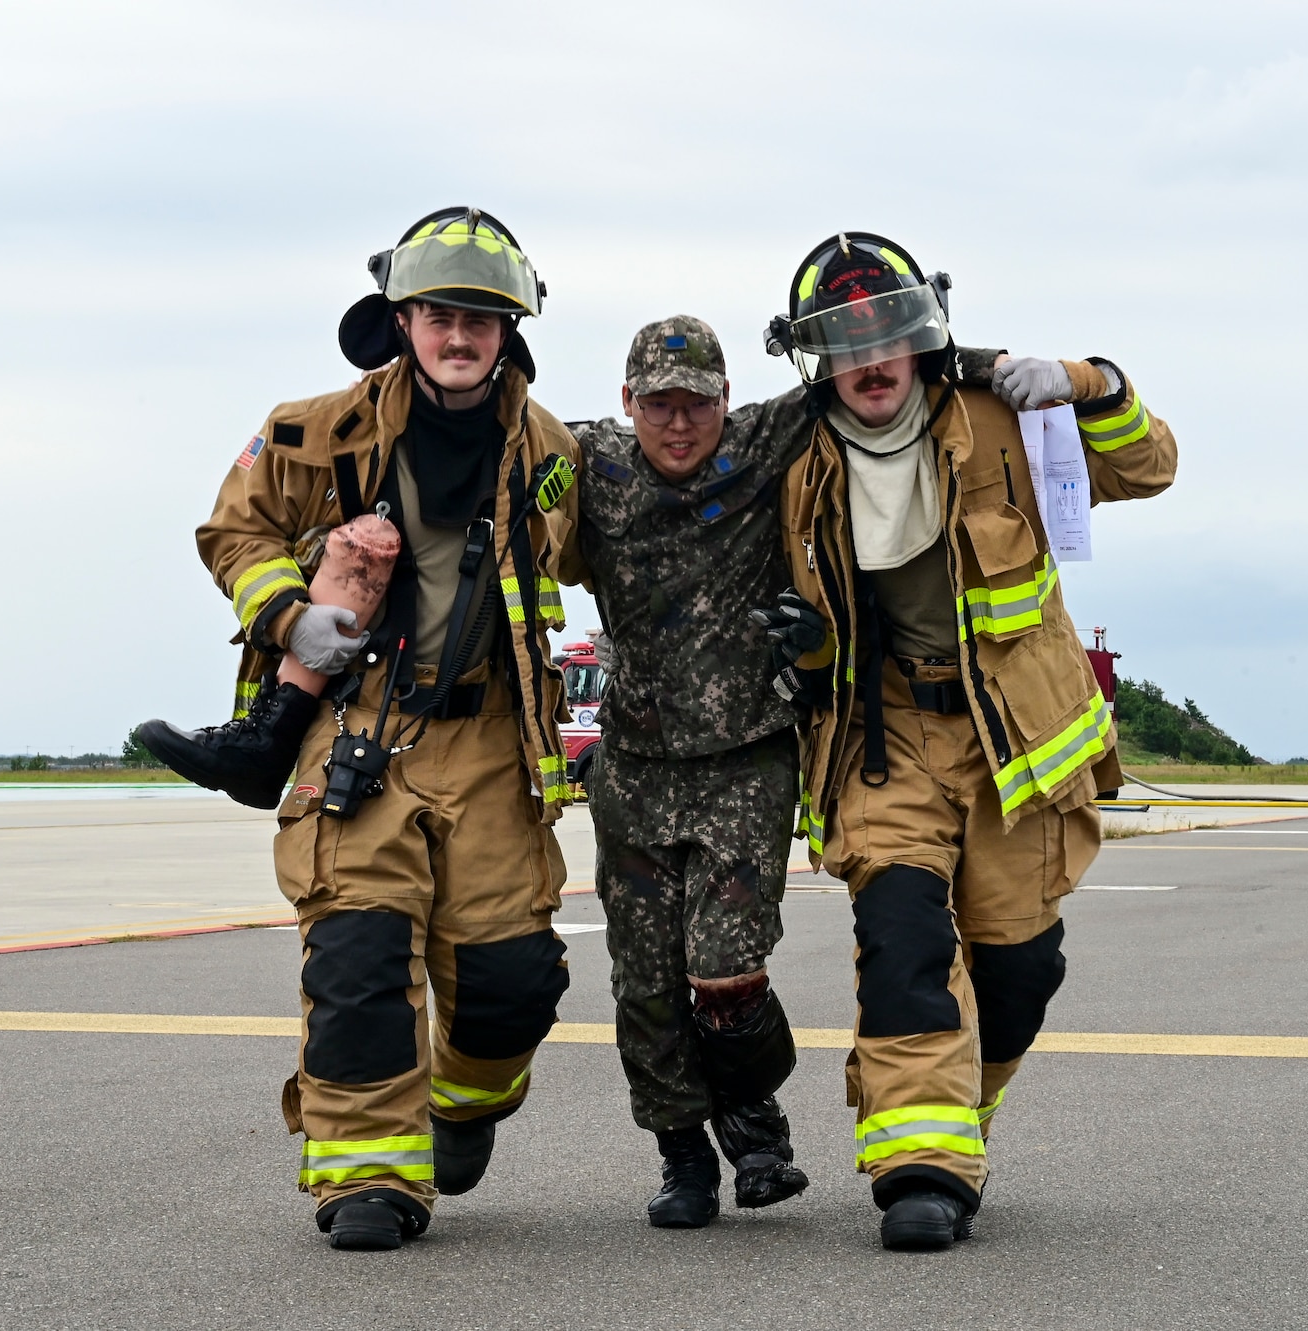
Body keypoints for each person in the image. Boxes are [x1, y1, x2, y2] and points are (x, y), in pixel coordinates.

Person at [155, 207, 583, 1251]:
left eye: (481, 317)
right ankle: (364, 1177)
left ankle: (466, 1105)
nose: (459, 334)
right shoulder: (312, 431)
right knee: (354, 958)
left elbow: (605, 559)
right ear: (400, 318)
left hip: (488, 740)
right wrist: (288, 613)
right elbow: (233, 527)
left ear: (510, 329)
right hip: (359, 725)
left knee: (510, 987)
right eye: (440, 313)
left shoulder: (553, 454)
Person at [750, 232, 1177, 1251]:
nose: (869, 358)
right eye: (840, 341)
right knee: (903, 941)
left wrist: (1089, 381)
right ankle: (920, 1167)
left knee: (1019, 969)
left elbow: (1148, 466)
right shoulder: (790, 458)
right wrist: (802, 652)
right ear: (814, 360)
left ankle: (960, 1112)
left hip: (1012, 745)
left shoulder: (999, 417)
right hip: (879, 738)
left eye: (887, 330)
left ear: (922, 331)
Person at [558, 318, 814, 1228]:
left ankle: (756, 1121)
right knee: (647, 984)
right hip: (633, 766)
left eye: (696, 404)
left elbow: (876, 372)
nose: (678, 423)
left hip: (746, 756)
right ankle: (683, 1158)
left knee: (726, 969)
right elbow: (494, 428)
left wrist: (1013, 369)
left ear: (725, 401)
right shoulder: (590, 460)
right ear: (630, 404)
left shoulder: (764, 441)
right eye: (659, 404)